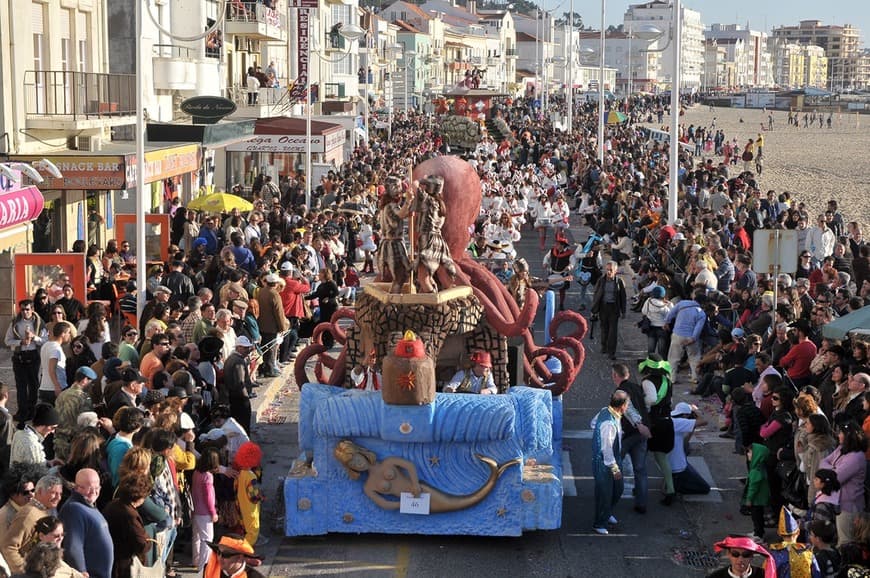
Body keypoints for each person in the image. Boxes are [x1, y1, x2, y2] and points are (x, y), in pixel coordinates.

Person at [0, 474, 64, 574]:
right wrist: (25, 572)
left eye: (60, 494)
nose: (58, 497)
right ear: (39, 492)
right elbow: (8, 546)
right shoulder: (29, 515)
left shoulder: (44, 512)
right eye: (53, 493)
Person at [612, 363, 652, 514]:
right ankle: (641, 503)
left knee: (615, 465)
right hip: (642, 434)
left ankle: (611, 498)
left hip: (628, 434)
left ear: (615, 376)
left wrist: (638, 424)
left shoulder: (619, 391)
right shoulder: (637, 387)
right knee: (640, 469)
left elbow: (627, 409)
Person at [58, 468, 112, 578]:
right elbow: (73, 548)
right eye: (88, 488)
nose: (93, 492)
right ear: (76, 488)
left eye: (97, 488)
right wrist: (81, 573)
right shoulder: (73, 509)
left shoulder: (88, 504)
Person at [819, 420, 867, 544]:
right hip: (837, 504)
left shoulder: (856, 457)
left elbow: (836, 478)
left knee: (845, 543)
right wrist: (832, 470)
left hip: (849, 509)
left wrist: (830, 472)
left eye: (841, 433)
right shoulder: (841, 449)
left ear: (849, 436)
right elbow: (822, 462)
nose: (838, 435)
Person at [638, 355, 677, 505]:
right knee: (662, 457)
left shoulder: (648, 381)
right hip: (667, 422)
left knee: (640, 455)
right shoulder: (667, 381)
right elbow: (670, 401)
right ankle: (671, 490)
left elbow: (652, 400)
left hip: (653, 423)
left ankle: (640, 487)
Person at [591, 390, 629, 535]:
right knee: (604, 493)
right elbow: (606, 448)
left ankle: (607, 512)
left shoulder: (607, 412)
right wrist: (614, 468)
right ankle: (599, 523)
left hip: (613, 457)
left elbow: (593, 423)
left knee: (617, 489)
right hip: (605, 462)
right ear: (623, 405)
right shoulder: (608, 423)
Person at [412, 175, 456, 293]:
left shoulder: (428, 200)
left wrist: (422, 179)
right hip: (438, 240)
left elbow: (414, 183)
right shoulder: (440, 204)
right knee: (430, 278)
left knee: (423, 279)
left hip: (428, 240)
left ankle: (433, 306)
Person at [102, 475, 152, 578]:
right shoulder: (130, 515)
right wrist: (148, 540)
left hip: (113, 561)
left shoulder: (113, 504)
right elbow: (141, 544)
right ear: (139, 497)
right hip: (126, 566)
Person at [5, 300, 47, 423]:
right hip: (19, 356)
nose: (25, 312)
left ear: (32, 309)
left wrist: (34, 337)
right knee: (21, 386)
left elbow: (45, 340)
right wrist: (20, 342)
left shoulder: (39, 322)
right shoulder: (15, 323)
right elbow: (7, 340)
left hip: (33, 355)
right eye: (23, 309)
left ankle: (32, 411)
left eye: (27, 309)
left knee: (33, 385)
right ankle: (22, 412)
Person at [52, 367, 98, 462]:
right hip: (74, 444)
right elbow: (87, 423)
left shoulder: (62, 395)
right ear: (85, 380)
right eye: (91, 382)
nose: (92, 386)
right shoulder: (83, 398)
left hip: (58, 442)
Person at [376, 176, 412, 294]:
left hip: (393, 242)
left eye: (399, 186)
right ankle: (393, 303)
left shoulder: (389, 205)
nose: (399, 189)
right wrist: (408, 201)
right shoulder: (390, 205)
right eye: (396, 186)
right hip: (393, 244)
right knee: (399, 277)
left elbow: (402, 214)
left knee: (401, 276)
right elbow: (399, 215)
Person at [668, 402, 711, 495]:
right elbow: (705, 421)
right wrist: (696, 410)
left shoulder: (672, 420)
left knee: (687, 449)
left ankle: (672, 483)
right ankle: (674, 487)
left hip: (676, 463)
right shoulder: (679, 422)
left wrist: (692, 427)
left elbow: (684, 443)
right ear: (685, 415)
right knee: (705, 488)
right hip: (678, 468)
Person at [767, 507, 821, 578]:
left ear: (779, 534)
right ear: (798, 532)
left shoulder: (773, 555)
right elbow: (817, 574)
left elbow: (767, 574)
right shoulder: (808, 553)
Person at [590, 261, 627, 360]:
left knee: (613, 332)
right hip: (603, 308)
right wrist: (594, 309)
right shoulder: (601, 280)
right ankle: (604, 345)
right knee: (604, 329)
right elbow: (596, 295)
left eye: (611, 270)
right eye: (607, 270)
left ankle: (612, 352)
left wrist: (623, 311)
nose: (608, 272)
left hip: (614, 308)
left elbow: (623, 297)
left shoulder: (619, 282)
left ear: (615, 271)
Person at [191, 448, 220, 571]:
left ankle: (196, 561)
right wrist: (213, 512)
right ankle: (203, 567)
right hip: (205, 512)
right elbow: (208, 497)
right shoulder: (208, 476)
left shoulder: (196, 472)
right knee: (207, 539)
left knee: (196, 537)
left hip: (195, 509)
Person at [233, 442, 265, 548]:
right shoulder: (251, 477)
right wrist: (261, 496)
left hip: (241, 507)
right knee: (252, 532)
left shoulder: (240, 474)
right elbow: (253, 496)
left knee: (244, 530)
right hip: (250, 509)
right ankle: (244, 551)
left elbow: (235, 489)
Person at [222, 336, 256, 434]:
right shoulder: (238, 361)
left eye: (248, 348)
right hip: (239, 399)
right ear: (238, 348)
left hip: (233, 397)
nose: (248, 350)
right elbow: (240, 383)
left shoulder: (232, 358)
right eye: (245, 348)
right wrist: (245, 398)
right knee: (243, 425)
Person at [707, 535, 775, 578]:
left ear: (752, 556)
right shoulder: (715, 577)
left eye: (746, 555)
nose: (740, 559)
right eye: (735, 554)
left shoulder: (763, 575)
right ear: (728, 554)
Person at [38, 321, 73, 405]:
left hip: (45, 386)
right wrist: (57, 386)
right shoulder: (55, 349)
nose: (69, 335)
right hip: (53, 389)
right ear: (62, 334)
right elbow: (51, 369)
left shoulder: (46, 345)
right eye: (68, 333)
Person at [745, 443, 772, 543]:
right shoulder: (760, 467)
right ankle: (757, 532)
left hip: (757, 499)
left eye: (750, 452)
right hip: (760, 498)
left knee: (757, 517)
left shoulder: (755, 470)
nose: (748, 454)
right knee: (757, 516)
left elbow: (753, 487)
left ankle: (759, 535)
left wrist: (749, 499)